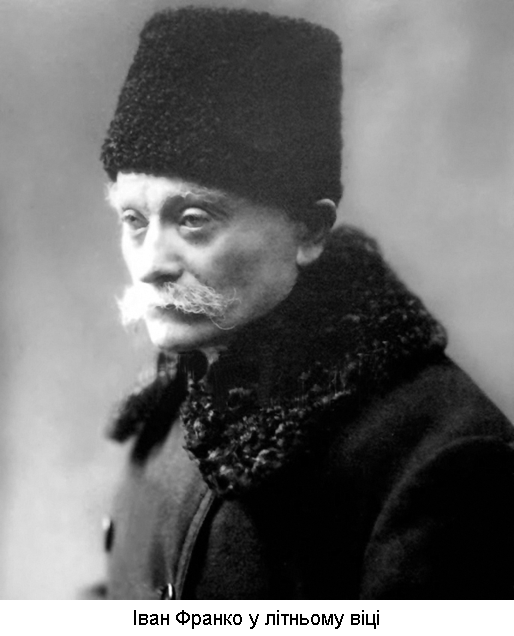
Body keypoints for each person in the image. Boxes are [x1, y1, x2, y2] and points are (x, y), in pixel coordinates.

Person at [99, 6, 514, 599]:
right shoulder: (178, 391)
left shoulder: (446, 461)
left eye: (193, 219)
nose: (149, 263)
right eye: (134, 221)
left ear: (309, 231)